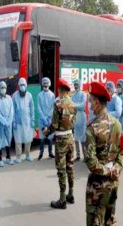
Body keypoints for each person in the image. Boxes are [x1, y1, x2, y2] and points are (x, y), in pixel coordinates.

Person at [85, 82, 123, 225]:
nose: (90, 106)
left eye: (91, 101)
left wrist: (107, 171)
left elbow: (91, 162)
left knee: (94, 221)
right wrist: (117, 168)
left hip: (98, 185)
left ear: (97, 102)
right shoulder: (117, 124)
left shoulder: (92, 128)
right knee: (109, 219)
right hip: (113, 182)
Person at [43, 79, 76, 209]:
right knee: (70, 167)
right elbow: (74, 122)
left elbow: (55, 125)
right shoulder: (73, 104)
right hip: (70, 138)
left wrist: (46, 132)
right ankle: (71, 194)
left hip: (61, 139)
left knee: (61, 170)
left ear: (61, 90)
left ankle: (62, 200)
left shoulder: (58, 104)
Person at [12, 78, 35, 163]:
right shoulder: (14, 96)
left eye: (23, 85)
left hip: (27, 121)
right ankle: (18, 157)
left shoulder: (29, 95)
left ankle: (27, 155)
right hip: (18, 122)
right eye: (21, 85)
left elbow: (32, 108)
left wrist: (32, 119)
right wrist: (13, 120)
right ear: (18, 86)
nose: (22, 87)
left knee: (28, 139)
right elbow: (13, 109)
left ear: (26, 86)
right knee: (18, 140)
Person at [0, 81, 14, 166]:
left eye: (4, 87)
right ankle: (0, 159)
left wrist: (9, 121)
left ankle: (9, 158)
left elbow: (11, 110)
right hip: (0, 123)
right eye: (2, 87)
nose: (3, 89)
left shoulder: (9, 98)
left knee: (8, 140)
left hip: (8, 124)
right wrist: (3, 121)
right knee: (0, 140)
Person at [37, 77, 55, 160]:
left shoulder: (52, 95)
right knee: (42, 138)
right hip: (42, 120)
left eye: (46, 84)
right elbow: (39, 107)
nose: (45, 86)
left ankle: (50, 153)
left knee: (50, 138)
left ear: (49, 85)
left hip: (49, 119)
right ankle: (41, 154)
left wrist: (48, 117)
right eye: (44, 84)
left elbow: (52, 107)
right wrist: (43, 117)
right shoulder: (39, 95)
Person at [71, 79, 87, 161]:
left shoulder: (84, 94)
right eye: (75, 84)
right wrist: (74, 106)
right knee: (76, 137)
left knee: (83, 137)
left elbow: (82, 105)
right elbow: (71, 106)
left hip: (82, 116)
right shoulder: (73, 96)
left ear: (80, 85)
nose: (76, 86)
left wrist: (74, 105)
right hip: (75, 116)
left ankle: (85, 156)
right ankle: (77, 155)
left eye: (77, 84)